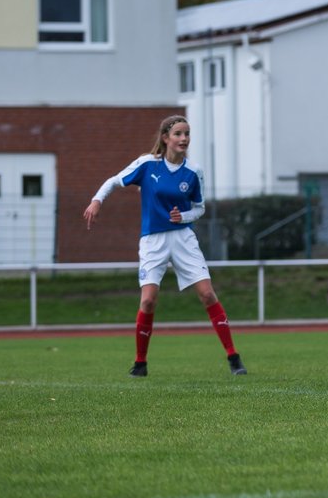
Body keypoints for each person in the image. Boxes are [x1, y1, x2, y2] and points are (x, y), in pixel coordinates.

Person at [84, 115, 246, 377]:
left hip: (183, 238)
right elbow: (114, 180)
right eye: (179, 134)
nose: (184, 139)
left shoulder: (194, 172)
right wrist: (96, 200)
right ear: (165, 138)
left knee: (207, 294)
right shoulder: (147, 164)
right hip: (153, 241)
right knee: (148, 301)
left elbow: (200, 208)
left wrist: (183, 217)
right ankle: (140, 363)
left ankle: (233, 357)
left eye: (187, 133)